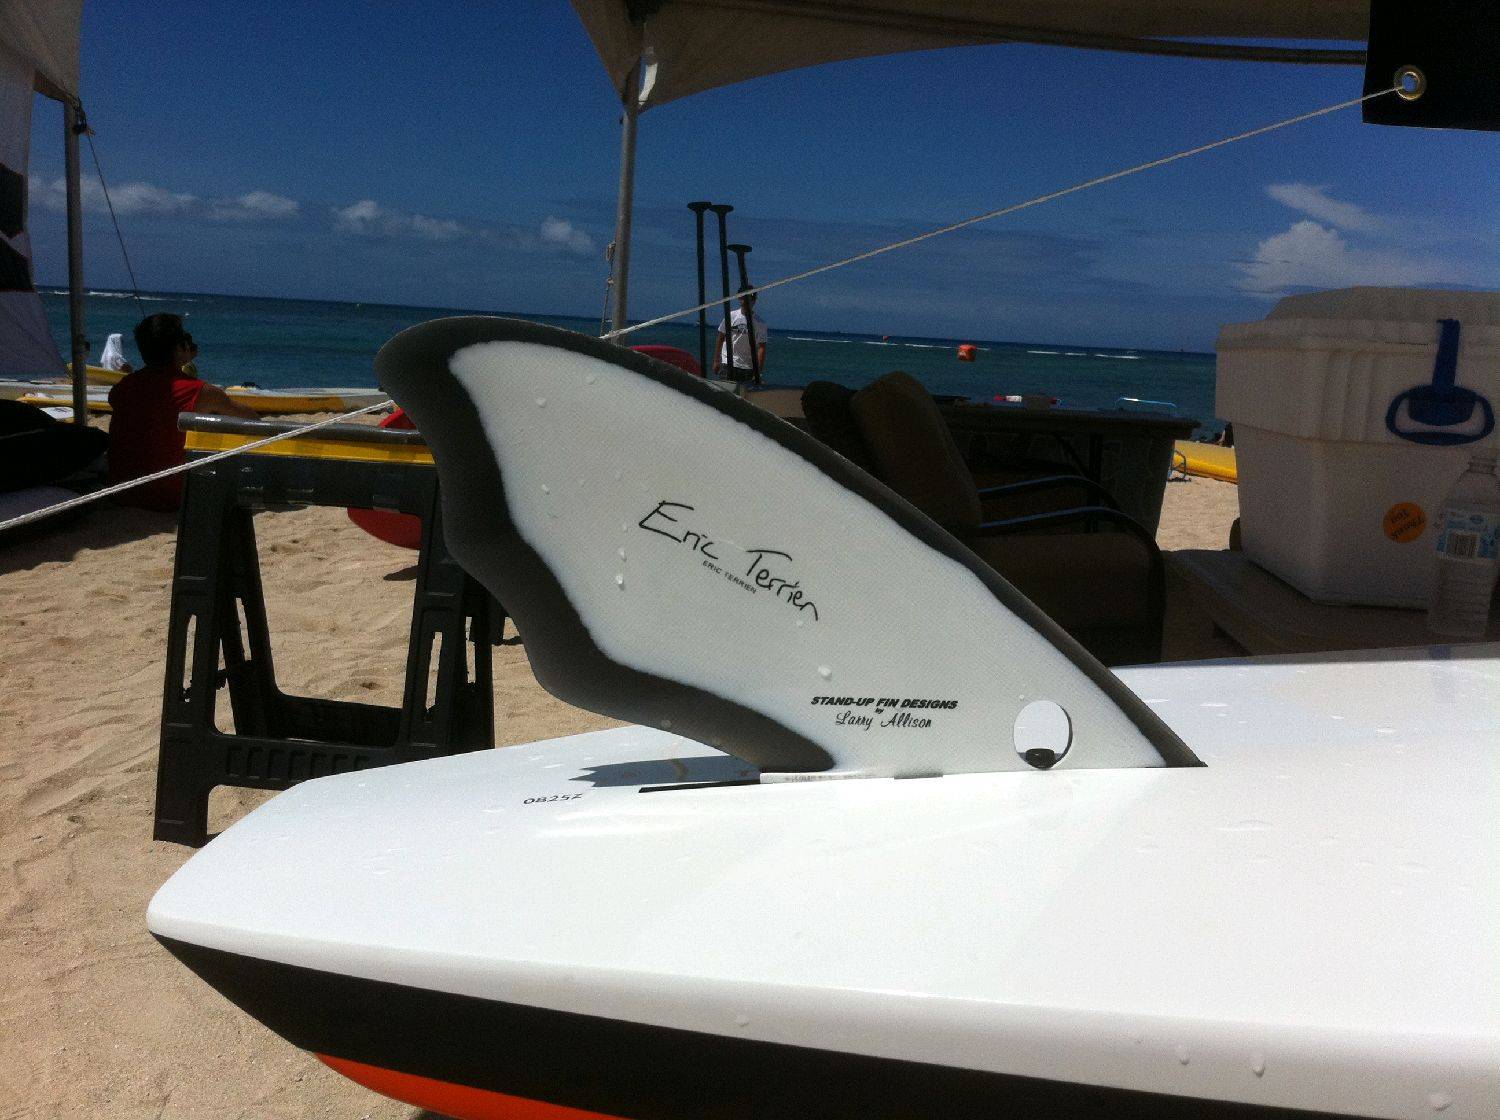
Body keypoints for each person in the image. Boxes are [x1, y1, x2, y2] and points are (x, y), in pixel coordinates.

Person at [107, 313, 256, 510]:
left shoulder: (121, 388)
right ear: (179, 347)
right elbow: (253, 420)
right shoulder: (201, 392)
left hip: (122, 493)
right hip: (171, 496)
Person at [712, 286, 768, 385]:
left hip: (747, 366)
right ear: (739, 298)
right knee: (725, 391)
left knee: (743, 393)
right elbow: (721, 337)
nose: (746, 302)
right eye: (743, 298)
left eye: (750, 299)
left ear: (754, 301)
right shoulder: (731, 316)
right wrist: (716, 361)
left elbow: (761, 348)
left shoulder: (760, 324)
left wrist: (758, 372)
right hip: (728, 362)